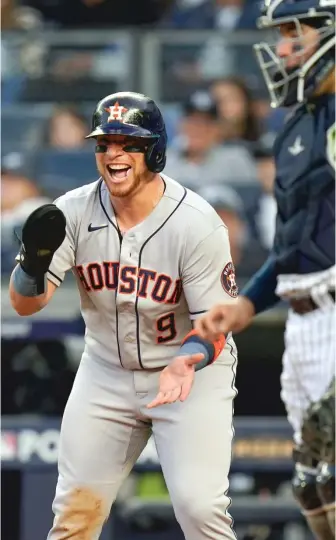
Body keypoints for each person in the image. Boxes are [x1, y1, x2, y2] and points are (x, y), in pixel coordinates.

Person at [9, 91, 238, 540]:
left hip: (190, 372)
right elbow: (26, 304)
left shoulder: (196, 222)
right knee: (74, 513)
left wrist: (187, 359)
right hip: (106, 372)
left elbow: (218, 318)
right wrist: (32, 267)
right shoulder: (72, 210)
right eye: (104, 143)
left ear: (154, 150)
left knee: (200, 510)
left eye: (127, 143)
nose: (113, 154)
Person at [195, 0, 336, 538]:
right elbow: (294, 243)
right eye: (280, 36)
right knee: (311, 482)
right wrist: (248, 302)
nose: (281, 50)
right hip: (302, 316)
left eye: (293, 35)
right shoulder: (297, 124)